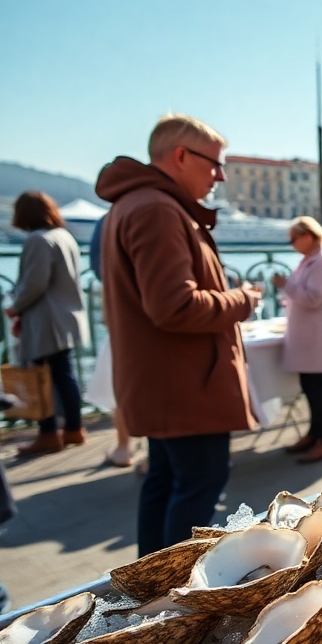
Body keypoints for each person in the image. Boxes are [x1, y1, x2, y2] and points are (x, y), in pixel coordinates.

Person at [97, 114, 263, 556]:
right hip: (186, 387)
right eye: (214, 163)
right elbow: (175, 306)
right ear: (181, 156)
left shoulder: (139, 204)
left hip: (167, 383)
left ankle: (151, 579)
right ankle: (176, 585)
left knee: (166, 480)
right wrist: (242, 299)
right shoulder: (157, 209)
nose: (220, 176)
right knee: (198, 484)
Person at [6, 192, 90, 456]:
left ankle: (48, 432)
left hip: (46, 319)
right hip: (67, 316)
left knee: (40, 378)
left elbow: (35, 283)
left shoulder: (38, 240)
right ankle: (74, 428)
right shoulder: (64, 236)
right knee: (64, 375)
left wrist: (15, 307)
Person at [273, 216, 322, 464]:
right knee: (311, 387)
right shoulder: (310, 259)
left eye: (294, 239)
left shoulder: (321, 261)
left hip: (314, 334)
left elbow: (313, 298)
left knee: (316, 388)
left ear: (308, 236)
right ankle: (315, 434)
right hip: (308, 333)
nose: (292, 244)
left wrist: (285, 285)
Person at [87, 214, 136, 468]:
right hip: (150, 318)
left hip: (123, 316)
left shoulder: (110, 219)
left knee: (122, 382)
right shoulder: (167, 209)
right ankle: (151, 453)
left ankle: (124, 446)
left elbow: (100, 269)